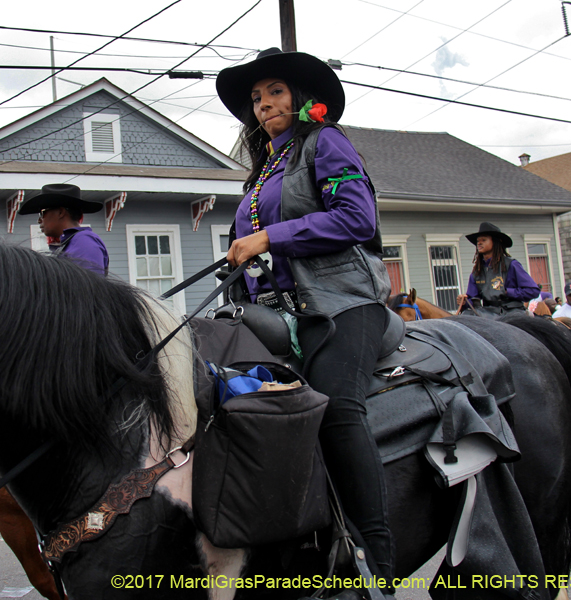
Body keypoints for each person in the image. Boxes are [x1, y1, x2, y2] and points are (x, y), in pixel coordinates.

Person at [217, 48, 394, 588]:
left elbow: (356, 220)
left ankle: (376, 557)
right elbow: (255, 248)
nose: (264, 104)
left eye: (274, 91)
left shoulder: (326, 142)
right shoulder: (263, 169)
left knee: (337, 409)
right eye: (255, 97)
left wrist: (269, 236)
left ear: (300, 97)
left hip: (344, 300)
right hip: (280, 310)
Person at [18, 183, 109, 276]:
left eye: (42, 213)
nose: (39, 220)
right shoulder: (72, 243)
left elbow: (89, 288)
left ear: (61, 212)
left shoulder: (83, 241)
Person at [456, 223, 540, 313]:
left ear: (496, 242)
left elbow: (532, 291)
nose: (479, 243)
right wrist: (464, 302)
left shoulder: (511, 264)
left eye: (484, 240)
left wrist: (507, 292)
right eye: (478, 241)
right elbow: (472, 299)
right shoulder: (477, 272)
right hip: (488, 313)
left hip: (511, 311)